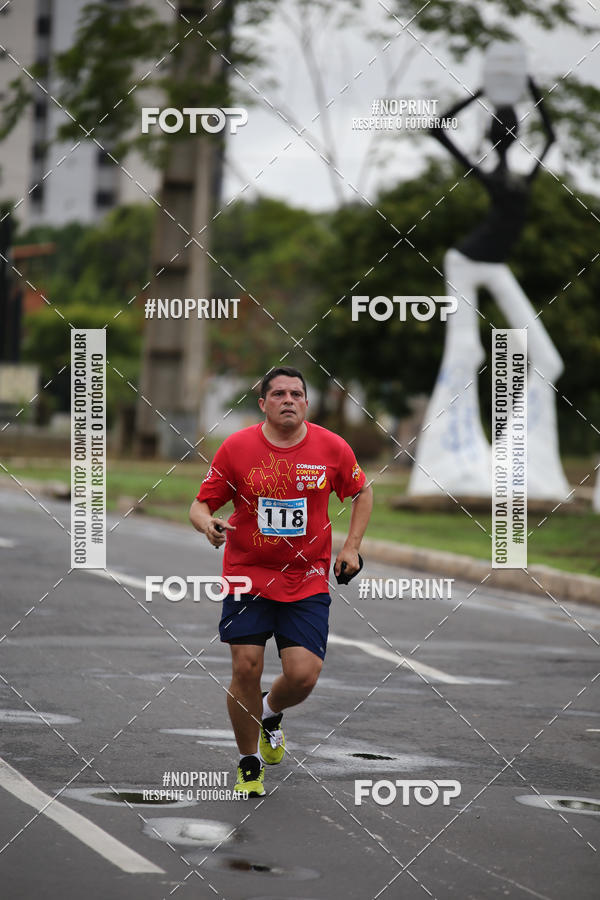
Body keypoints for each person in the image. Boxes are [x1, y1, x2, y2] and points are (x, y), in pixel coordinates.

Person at [189, 366, 373, 796]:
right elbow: (200, 504)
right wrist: (206, 524)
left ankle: (269, 712)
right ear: (263, 404)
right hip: (247, 574)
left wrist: (351, 548)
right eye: (278, 394)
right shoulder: (237, 448)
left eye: (296, 394)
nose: (288, 400)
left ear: (306, 402)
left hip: (305, 578)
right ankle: (248, 762)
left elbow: (362, 492)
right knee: (246, 667)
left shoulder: (331, 447)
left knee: (303, 675)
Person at [409, 78, 570, 499]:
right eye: (505, 127)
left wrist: (526, 86)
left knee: (548, 360)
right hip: (464, 263)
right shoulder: (493, 176)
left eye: (512, 127)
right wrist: (482, 91)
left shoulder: (521, 177)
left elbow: (552, 136)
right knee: (465, 353)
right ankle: (452, 461)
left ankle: (517, 464)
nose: (509, 133)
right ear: (498, 135)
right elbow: (437, 128)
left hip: (494, 265)